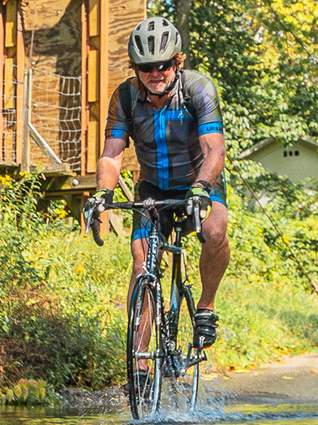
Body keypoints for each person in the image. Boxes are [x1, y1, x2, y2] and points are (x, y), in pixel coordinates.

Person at [91, 17, 229, 386]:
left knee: (215, 230)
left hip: (199, 180)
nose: (156, 72)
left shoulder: (198, 88)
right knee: (142, 264)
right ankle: (139, 364)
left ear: (177, 61)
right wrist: (101, 193)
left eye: (163, 64)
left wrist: (202, 186)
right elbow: (112, 154)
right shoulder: (124, 97)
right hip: (153, 186)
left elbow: (214, 148)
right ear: (135, 69)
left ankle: (206, 306)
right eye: (146, 67)